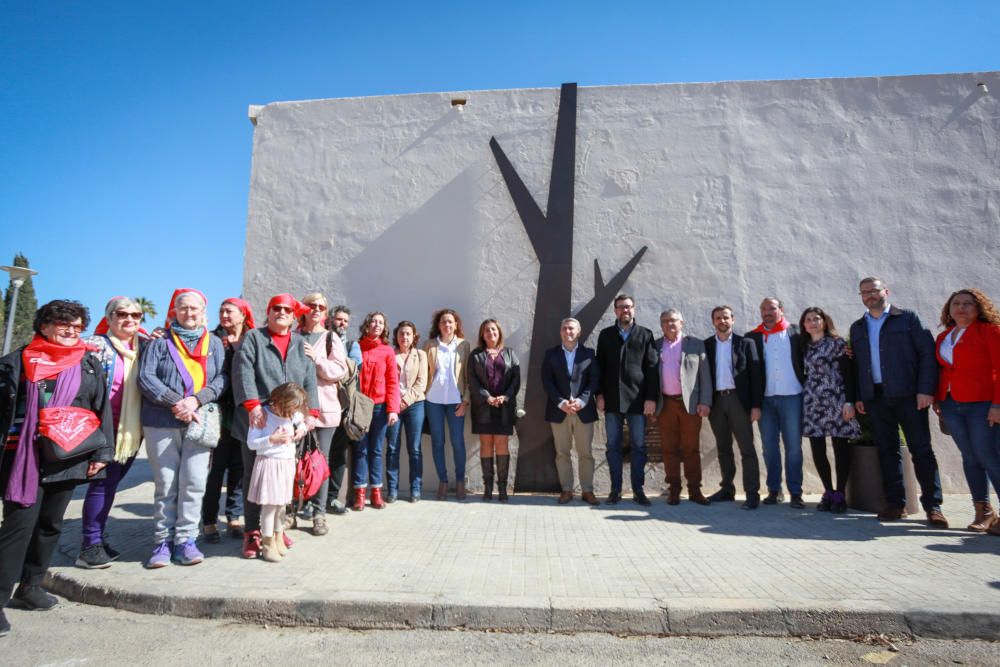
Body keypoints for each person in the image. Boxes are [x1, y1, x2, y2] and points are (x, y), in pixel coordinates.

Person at [0, 300, 113, 637]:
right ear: (44, 325)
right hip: (25, 457)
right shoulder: (18, 361)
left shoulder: (87, 362)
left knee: (50, 524)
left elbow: (100, 407)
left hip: (69, 455)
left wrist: (102, 452)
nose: (70, 331)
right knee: (18, 527)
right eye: (63, 324)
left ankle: (31, 588)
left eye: (77, 327)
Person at [137, 289, 227, 568]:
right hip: (161, 421)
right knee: (166, 484)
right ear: (174, 311)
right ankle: (162, 542)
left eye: (195, 309)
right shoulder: (160, 342)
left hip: (199, 422)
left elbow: (222, 379)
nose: (190, 313)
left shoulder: (214, 343)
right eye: (184, 308)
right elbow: (146, 377)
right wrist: (176, 402)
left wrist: (196, 401)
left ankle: (186, 540)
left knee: (194, 483)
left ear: (204, 313)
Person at [850, 276, 947, 527]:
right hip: (876, 398)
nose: (870, 295)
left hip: (908, 395)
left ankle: (933, 506)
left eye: (874, 291)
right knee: (887, 451)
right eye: (865, 292)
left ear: (886, 292)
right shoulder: (858, 327)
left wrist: (926, 390)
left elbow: (927, 353)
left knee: (921, 450)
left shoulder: (907, 319)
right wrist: (860, 396)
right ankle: (896, 504)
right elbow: (858, 365)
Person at [233, 293, 320, 558]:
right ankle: (253, 533)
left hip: (291, 417)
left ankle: (277, 531)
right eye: (276, 308)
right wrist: (253, 405)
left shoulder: (301, 343)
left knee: (282, 481)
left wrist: (311, 414)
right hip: (259, 417)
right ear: (268, 313)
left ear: (294, 317)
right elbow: (243, 371)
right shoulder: (254, 338)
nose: (281, 312)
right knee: (254, 478)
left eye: (286, 309)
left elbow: (309, 381)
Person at [75, 298, 149, 569]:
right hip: (101, 428)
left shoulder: (144, 346)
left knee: (111, 484)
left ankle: (97, 538)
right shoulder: (95, 347)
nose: (129, 319)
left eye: (136, 315)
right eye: (122, 314)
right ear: (110, 317)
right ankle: (89, 546)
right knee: (101, 484)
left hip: (131, 432)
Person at [932, 288, 1000, 533]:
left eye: (967, 304)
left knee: (989, 455)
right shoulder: (945, 336)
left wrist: (997, 405)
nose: (961, 308)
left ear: (978, 307)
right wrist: (938, 399)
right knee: (970, 456)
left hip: (982, 404)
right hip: (952, 403)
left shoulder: (990, 332)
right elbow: (943, 370)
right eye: (956, 304)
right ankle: (983, 511)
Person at [595, 294, 659, 506]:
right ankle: (615, 490)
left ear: (634, 309)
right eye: (621, 307)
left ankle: (638, 490)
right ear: (615, 311)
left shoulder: (645, 334)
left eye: (629, 307)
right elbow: (599, 368)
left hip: (637, 401)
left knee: (639, 446)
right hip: (612, 401)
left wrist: (651, 398)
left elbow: (651, 369)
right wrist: (600, 395)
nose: (625, 311)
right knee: (613, 446)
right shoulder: (605, 335)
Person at [201, 298, 253, 545]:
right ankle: (209, 521)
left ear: (243, 315)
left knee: (239, 468)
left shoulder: (252, 339)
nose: (224, 315)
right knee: (216, 469)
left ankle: (234, 516)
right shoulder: (211, 339)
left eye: (229, 311)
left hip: (244, 411)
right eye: (221, 310)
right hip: (219, 411)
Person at [746, 297, 806, 508]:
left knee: (794, 448)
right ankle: (774, 490)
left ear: (781, 309)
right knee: (769, 448)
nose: (767, 312)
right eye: (763, 309)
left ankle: (796, 492)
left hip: (793, 397)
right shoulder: (753, 337)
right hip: (766, 400)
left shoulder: (796, 333)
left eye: (771, 308)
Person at [799, 307, 859, 514]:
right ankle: (828, 491)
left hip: (837, 399)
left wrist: (849, 401)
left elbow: (848, 373)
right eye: (808, 320)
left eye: (816, 319)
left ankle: (840, 492)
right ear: (804, 325)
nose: (812, 323)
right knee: (817, 447)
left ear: (824, 321)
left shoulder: (838, 344)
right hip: (813, 401)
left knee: (840, 446)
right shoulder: (804, 346)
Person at [298, 293, 347, 535]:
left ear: (325, 312)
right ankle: (292, 510)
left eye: (320, 306)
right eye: (311, 305)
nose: (316, 309)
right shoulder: (295, 335)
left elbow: (338, 370)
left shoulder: (330, 338)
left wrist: (316, 358)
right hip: (296, 411)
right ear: (303, 308)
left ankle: (319, 513)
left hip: (324, 410)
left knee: (320, 463)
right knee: (294, 462)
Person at [704, 306, 763, 509]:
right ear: (713, 321)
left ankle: (752, 493)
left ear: (733, 319)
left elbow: (756, 377)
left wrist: (756, 405)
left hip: (739, 400)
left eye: (726, 317)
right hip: (717, 401)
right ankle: (727, 489)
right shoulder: (707, 345)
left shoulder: (746, 343)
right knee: (723, 448)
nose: (722, 321)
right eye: (718, 318)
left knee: (747, 448)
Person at [654, 309, 712, 506]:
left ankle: (695, 490)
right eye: (665, 321)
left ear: (682, 322)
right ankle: (674, 490)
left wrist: (705, 401)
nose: (670, 324)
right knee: (669, 449)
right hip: (666, 404)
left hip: (690, 405)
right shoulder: (655, 346)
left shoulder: (695, 344)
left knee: (691, 448)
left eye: (673, 321)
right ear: (661, 325)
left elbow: (705, 376)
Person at [246, 383, 309, 562]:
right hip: (269, 463)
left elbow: (301, 421)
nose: (292, 414)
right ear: (279, 402)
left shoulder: (292, 413)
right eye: (290, 409)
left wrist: (301, 429)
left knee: (282, 504)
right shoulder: (262, 415)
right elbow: (251, 443)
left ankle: (278, 536)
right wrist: (271, 439)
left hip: (286, 463)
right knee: (270, 506)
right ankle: (267, 543)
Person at [541, 317, 601, 506]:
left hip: (583, 411)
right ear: (561, 332)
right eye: (565, 328)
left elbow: (594, 380)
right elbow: (547, 382)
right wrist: (561, 402)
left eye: (572, 329)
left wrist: (582, 401)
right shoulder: (550, 354)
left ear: (579, 332)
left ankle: (587, 490)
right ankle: (566, 489)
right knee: (562, 453)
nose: (568, 332)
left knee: (586, 453)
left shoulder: (589, 354)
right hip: (560, 411)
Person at [468, 319, 521, 502]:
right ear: (482, 335)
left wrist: (505, 397)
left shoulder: (510, 353)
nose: (490, 333)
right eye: (486, 330)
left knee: (502, 444)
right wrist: (486, 397)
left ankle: (503, 488)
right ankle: (488, 488)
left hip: (504, 407)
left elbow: (516, 379)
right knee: (486, 444)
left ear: (499, 332)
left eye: (493, 329)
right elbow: (472, 380)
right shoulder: (476, 355)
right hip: (483, 406)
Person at [352, 312, 400, 510]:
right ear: (367, 325)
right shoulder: (356, 347)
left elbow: (392, 382)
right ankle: (359, 494)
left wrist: (393, 409)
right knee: (360, 449)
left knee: (377, 450)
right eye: (374, 321)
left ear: (384, 327)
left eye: (381, 322)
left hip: (380, 407)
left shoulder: (387, 351)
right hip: (360, 406)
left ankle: (376, 493)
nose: (377, 325)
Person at [424, 309, 472, 501]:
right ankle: (443, 482)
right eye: (444, 322)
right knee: (437, 442)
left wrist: (466, 401)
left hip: (456, 402)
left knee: (458, 442)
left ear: (456, 324)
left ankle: (460, 482)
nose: (447, 325)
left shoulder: (464, 345)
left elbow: (469, 376)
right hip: (433, 401)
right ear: (438, 325)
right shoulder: (429, 345)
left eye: (451, 322)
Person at [325, 305, 361, 514]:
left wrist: (330, 363)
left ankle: (332, 497)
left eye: (346, 321)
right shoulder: (321, 340)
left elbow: (354, 366)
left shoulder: (351, 344)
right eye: (339, 320)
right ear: (330, 321)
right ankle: (312, 499)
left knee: (338, 454)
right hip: (320, 407)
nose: (342, 324)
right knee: (318, 454)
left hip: (342, 408)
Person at [386, 321, 427, 502]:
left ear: (414, 337)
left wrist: (404, 402)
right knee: (393, 448)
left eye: (408, 334)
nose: (404, 337)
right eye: (401, 333)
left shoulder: (421, 355)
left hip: (415, 405)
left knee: (415, 448)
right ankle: (392, 490)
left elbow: (421, 383)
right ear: (396, 336)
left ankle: (416, 488)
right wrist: (396, 404)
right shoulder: (390, 354)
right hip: (392, 407)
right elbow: (386, 380)